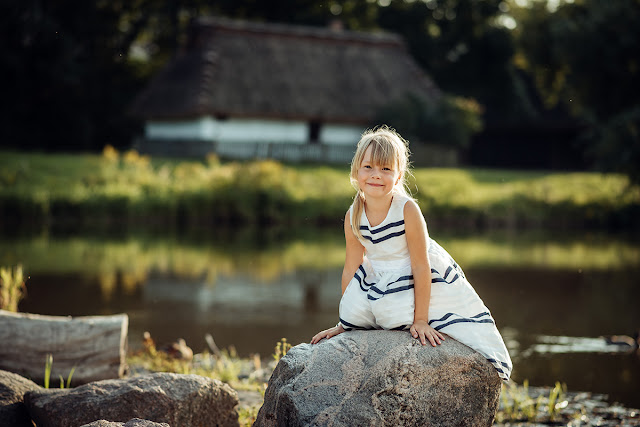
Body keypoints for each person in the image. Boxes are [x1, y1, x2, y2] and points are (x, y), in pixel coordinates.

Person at [310, 126, 512, 381]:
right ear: (356, 171)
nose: (376, 175)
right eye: (368, 167)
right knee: (361, 312)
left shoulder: (407, 210)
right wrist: (346, 320)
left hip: (414, 270)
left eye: (386, 169)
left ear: (398, 176)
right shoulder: (353, 215)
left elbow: (420, 265)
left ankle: (423, 314)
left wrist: (421, 320)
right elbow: (352, 266)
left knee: (393, 314)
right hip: (380, 274)